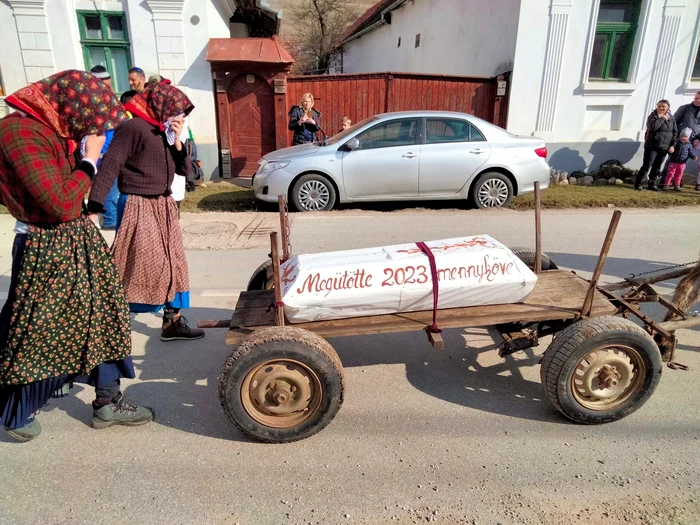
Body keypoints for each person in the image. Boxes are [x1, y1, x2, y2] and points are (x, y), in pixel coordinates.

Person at [0, 70, 153, 441]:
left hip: (74, 239)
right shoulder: (17, 133)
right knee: (40, 329)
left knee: (104, 316)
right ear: (66, 106)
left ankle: (106, 400)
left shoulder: (48, 128)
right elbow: (60, 203)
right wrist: (90, 160)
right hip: (46, 245)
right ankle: (18, 413)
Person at [88, 79, 204, 342]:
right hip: (137, 205)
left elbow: (187, 172)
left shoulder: (162, 131)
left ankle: (171, 322)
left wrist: (177, 143)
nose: (177, 116)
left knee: (174, 264)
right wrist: (94, 206)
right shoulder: (133, 127)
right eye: (175, 111)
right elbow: (110, 165)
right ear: (159, 104)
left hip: (163, 205)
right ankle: (108, 323)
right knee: (137, 267)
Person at [89, 65, 121, 230]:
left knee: (111, 187)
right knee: (108, 186)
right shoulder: (96, 103)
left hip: (109, 148)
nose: (110, 89)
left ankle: (110, 218)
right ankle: (109, 221)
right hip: (102, 151)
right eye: (107, 85)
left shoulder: (105, 100)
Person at [634, 100, 677, 191]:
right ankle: (639, 183)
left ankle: (652, 184)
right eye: (659, 106)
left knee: (657, 167)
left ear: (668, 108)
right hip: (652, 145)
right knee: (647, 165)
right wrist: (662, 118)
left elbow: (674, 132)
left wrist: (672, 145)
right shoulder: (652, 117)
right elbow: (653, 127)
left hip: (664, 146)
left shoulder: (672, 118)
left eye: (663, 107)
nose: (661, 108)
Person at [660, 91, 700, 180]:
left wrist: (698, 138)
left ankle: (677, 180)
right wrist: (675, 137)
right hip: (678, 139)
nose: (697, 100)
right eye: (696, 98)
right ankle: (664, 179)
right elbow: (674, 122)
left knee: (683, 161)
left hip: (691, 140)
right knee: (672, 160)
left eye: (699, 98)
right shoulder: (684, 108)